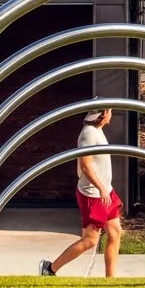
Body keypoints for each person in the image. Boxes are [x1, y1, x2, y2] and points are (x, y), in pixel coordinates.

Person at [40, 108, 122, 278]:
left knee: (115, 233)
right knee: (90, 240)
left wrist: (105, 188)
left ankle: (110, 281)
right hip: (94, 194)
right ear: (104, 114)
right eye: (110, 110)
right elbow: (85, 165)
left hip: (106, 191)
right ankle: (49, 269)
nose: (111, 114)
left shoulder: (97, 130)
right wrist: (100, 188)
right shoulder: (89, 134)